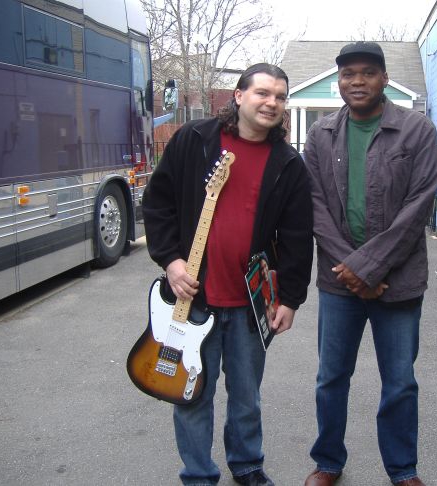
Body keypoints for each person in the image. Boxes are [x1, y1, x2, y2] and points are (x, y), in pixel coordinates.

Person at [142, 63, 313, 486]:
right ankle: (198, 475)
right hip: (191, 300)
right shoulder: (194, 140)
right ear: (239, 96)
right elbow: (157, 203)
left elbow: (296, 236)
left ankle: (247, 465)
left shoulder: (288, 163)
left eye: (279, 96)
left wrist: (290, 298)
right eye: (262, 93)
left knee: (246, 397)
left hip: (249, 306)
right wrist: (170, 260)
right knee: (190, 394)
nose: (271, 102)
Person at [302, 42, 437, 486]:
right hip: (339, 282)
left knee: (399, 382)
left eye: (366, 73)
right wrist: (354, 269)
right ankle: (328, 463)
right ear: (337, 81)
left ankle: (403, 470)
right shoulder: (321, 134)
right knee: (331, 378)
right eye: (347, 74)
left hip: (398, 282)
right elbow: (315, 207)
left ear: (384, 78)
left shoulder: (416, 130)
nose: (356, 82)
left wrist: (372, 267)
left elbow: (419, 206)